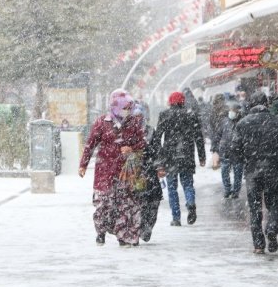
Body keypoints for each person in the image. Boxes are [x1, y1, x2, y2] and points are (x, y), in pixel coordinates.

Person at [79, 89, 146, 247]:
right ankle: (101, 231)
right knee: (104, 205)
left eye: (129, 107)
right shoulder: (102, 122)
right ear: (116, 107)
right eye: (125, 107)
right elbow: (90, 144)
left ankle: (124, 236)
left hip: (125, 172)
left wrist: (131, 147)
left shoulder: (133, 123)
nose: (128, 111)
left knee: (125, 205)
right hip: (105, 171)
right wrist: (83, 164)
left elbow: (143, 142)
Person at [232, 92, 278, 254]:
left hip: (252, 170)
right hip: (274, 169)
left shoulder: (242, 123)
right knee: (274, 204)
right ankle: (272, 229)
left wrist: (244, 159)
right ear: (267, 104)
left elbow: (235, 148)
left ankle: (258, 244)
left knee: (255, 208)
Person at [155, 91, 206, 226]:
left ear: (170, 102)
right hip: (187, 155)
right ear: (183, 102)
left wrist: (159, 156)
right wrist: (202, 156)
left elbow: (157, 137)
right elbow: (199, 137)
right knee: (188, 184)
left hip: (169, 157)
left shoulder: (164, 115)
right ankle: (190, 203)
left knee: (172, 188)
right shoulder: (191, 115)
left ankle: (176, 217)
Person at [135, 102, 162, 242]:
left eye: (140, 116)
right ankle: (139, 228)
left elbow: (157, 150)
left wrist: (159, 167)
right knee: (140, 201)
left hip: (149, 170)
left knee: (154, 200)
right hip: (134, 172)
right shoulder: (127, 132)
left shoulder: (151, 131)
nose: (138, 119)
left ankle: (147, 227)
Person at [211, 101, 244, 199]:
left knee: (238, 173)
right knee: (225, 171)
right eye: (230, 110)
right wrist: (214, 148)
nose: (231, 112)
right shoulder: (224, 121)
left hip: (238, 152)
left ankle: (236, 191)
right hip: (225, 151)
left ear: (238, 112)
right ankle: (227, 189)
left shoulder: (242, 122)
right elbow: (217, 135)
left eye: (233, 110)